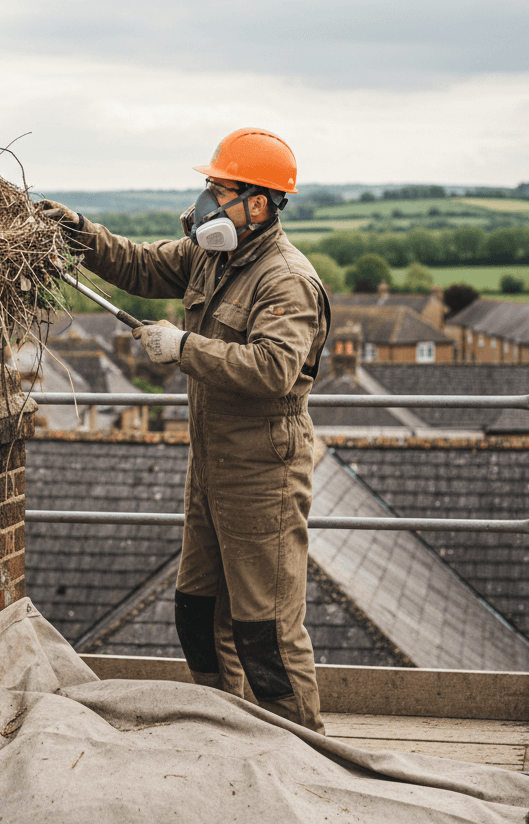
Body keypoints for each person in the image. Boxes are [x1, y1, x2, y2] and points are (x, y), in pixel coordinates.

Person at [39, 127, 331, 733]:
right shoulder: (210, 255)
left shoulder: (287, 280)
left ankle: (305, 753)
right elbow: (139, 266)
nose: (204, 202)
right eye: (207, 186)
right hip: (211, 463)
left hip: (263, 470)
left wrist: (183, 347)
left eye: (219, 189)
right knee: (197, 614)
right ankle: (231, 731)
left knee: (266, 632)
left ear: (259, 203)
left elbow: (275, 370)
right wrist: (78, 232)